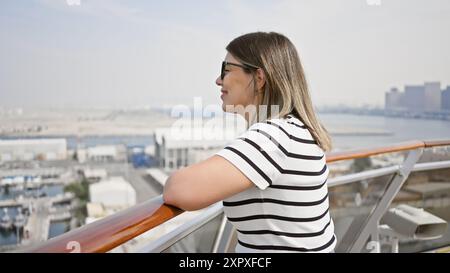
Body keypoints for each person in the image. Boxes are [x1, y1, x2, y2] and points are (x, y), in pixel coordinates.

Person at [163, 31, 336, 253]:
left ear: (259, 78)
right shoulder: (297, 129)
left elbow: (178, 190)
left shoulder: (273, 137)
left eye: (226, 70)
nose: (218, 80)